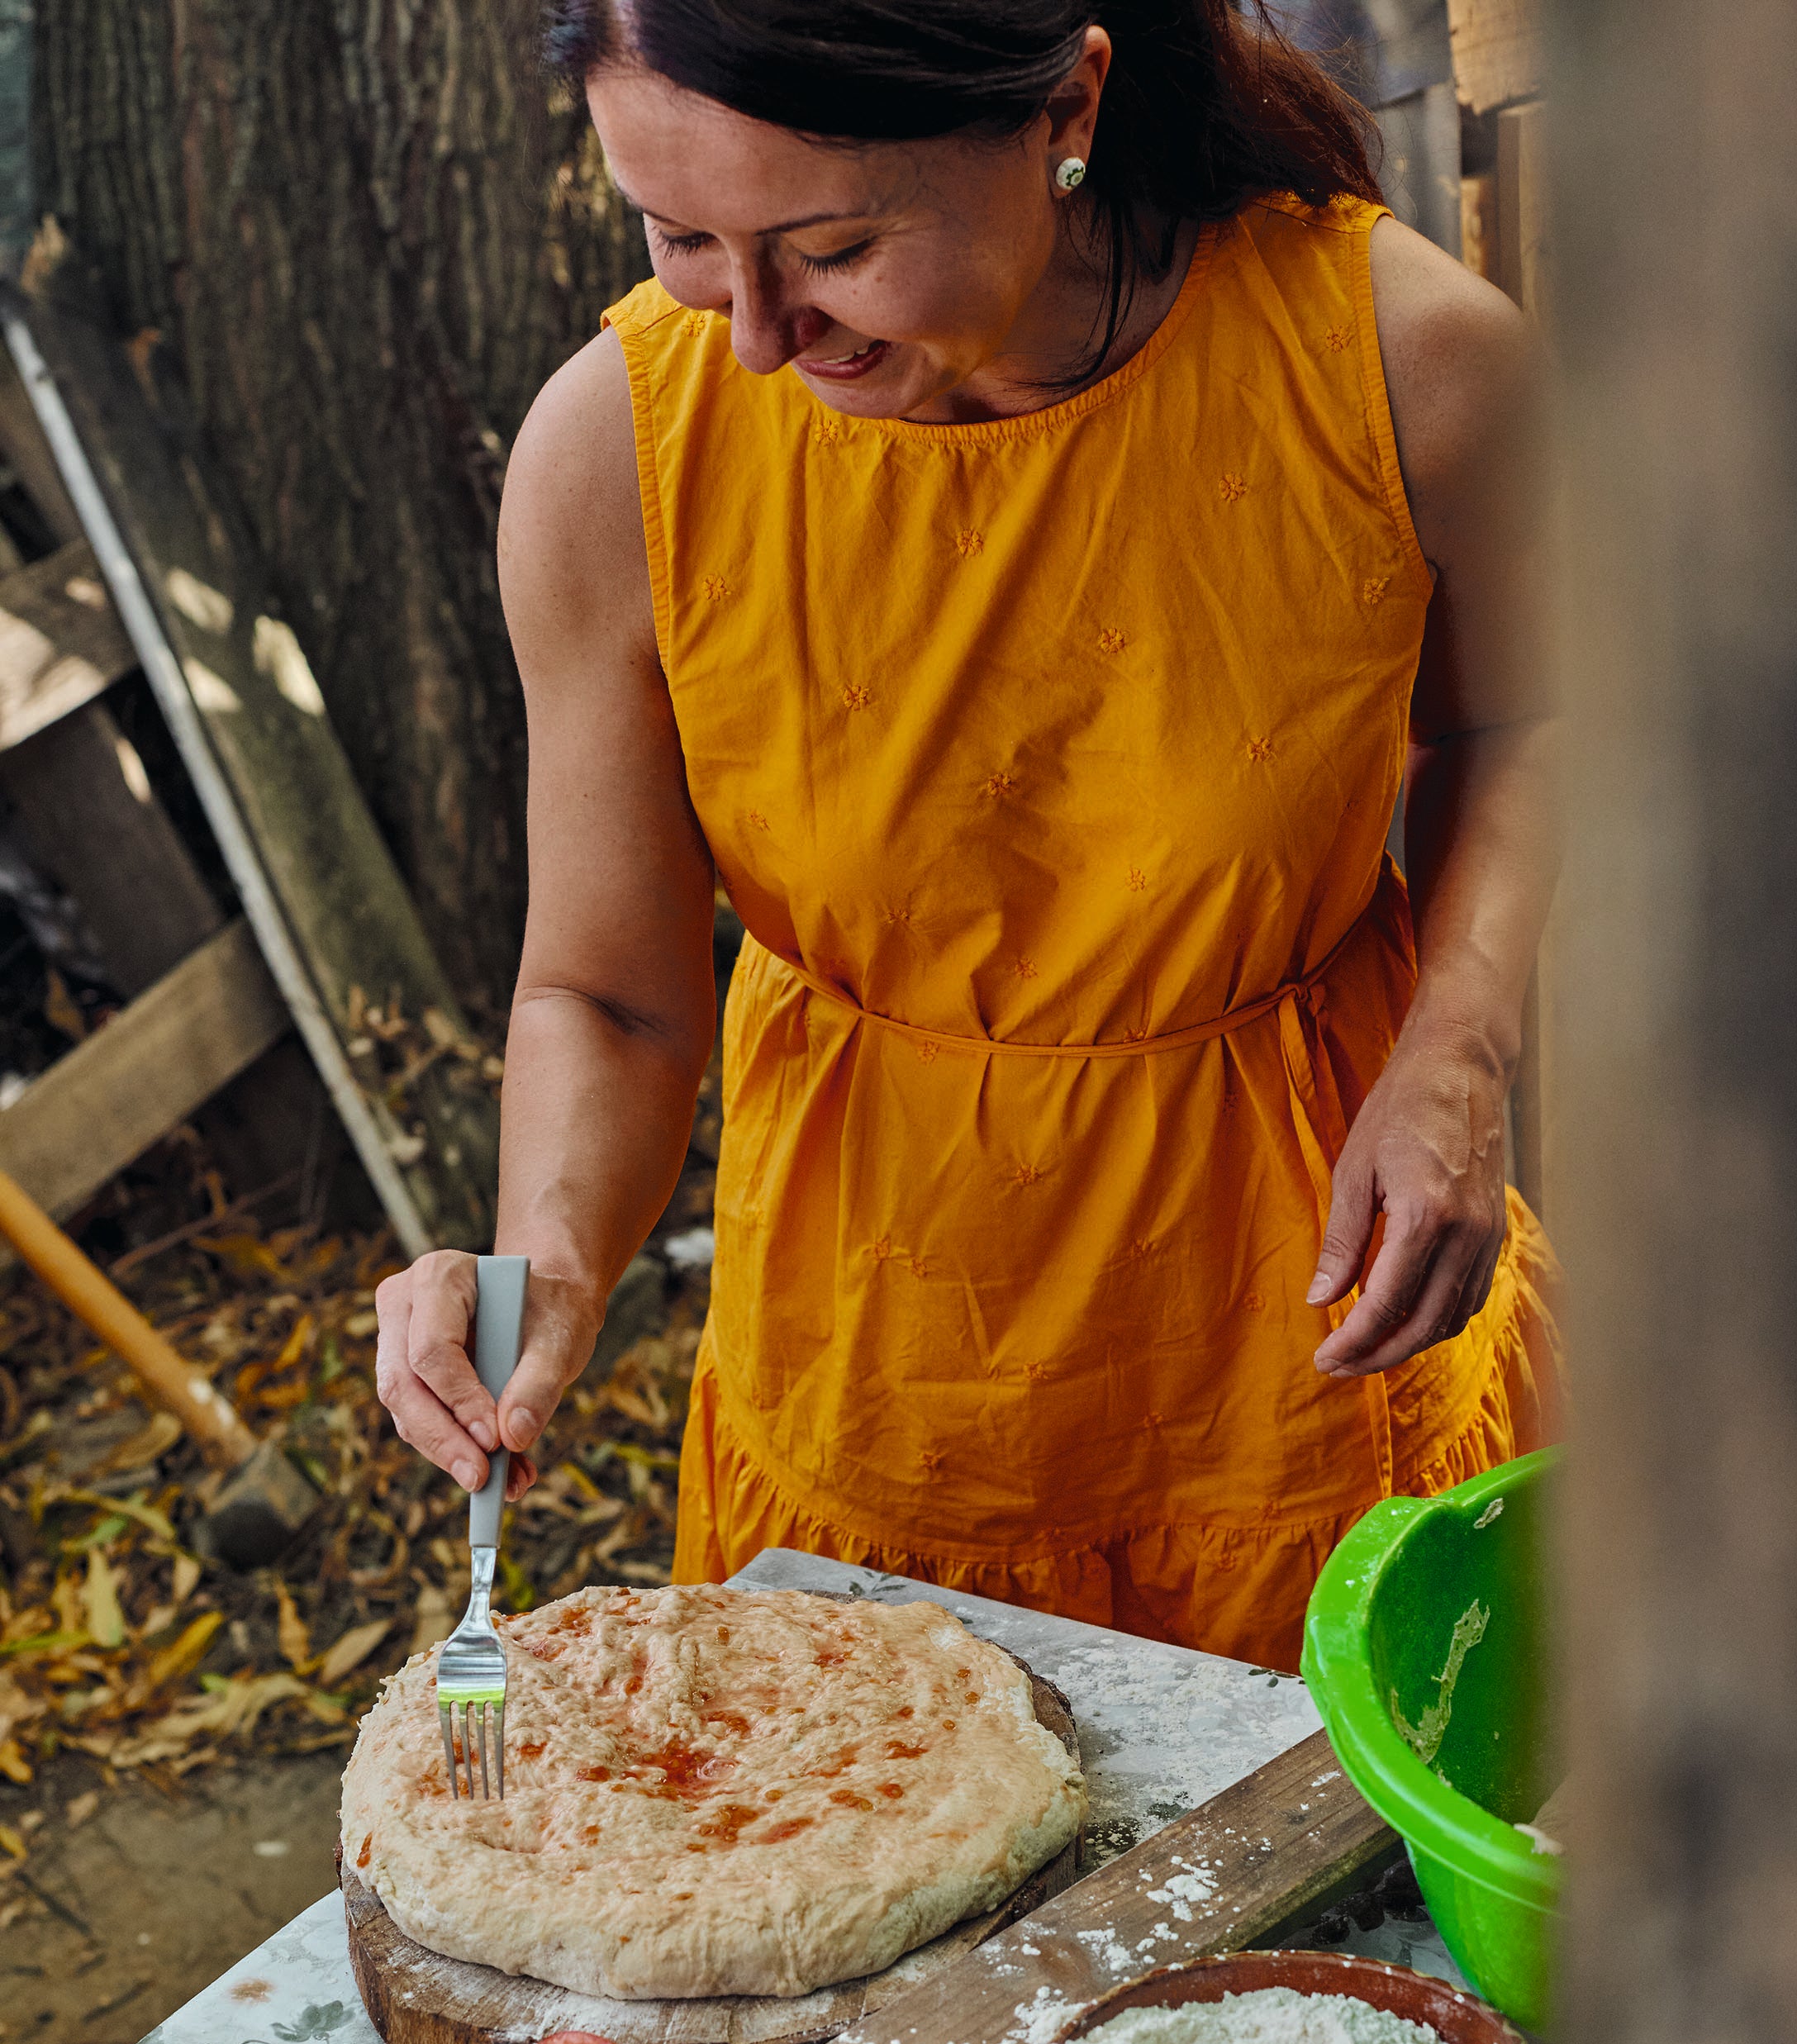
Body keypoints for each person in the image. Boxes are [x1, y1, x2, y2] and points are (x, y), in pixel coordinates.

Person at [374, 0, 1562, 1671]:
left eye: (834, 248)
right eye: (680, 240)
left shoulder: (1393, 357)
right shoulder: (611, 455)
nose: (759, 340)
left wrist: (1457, 1046)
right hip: (880, 1367)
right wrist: (546, 1258)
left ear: (1064, 106)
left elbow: (1518, 716)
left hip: (1311, 1329)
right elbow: (606, 994)